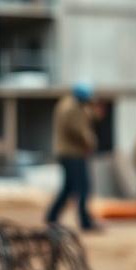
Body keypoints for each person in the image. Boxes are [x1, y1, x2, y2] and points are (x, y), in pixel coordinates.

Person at [45, 82, 102, 232]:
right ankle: (85, 222)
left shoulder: (68, 105)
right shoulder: (72, 108)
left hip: (67, 153)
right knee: (83, 187)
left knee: (68, 187)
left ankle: (51, 216)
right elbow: (78, 130)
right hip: (73, 153)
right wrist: (90, 142)